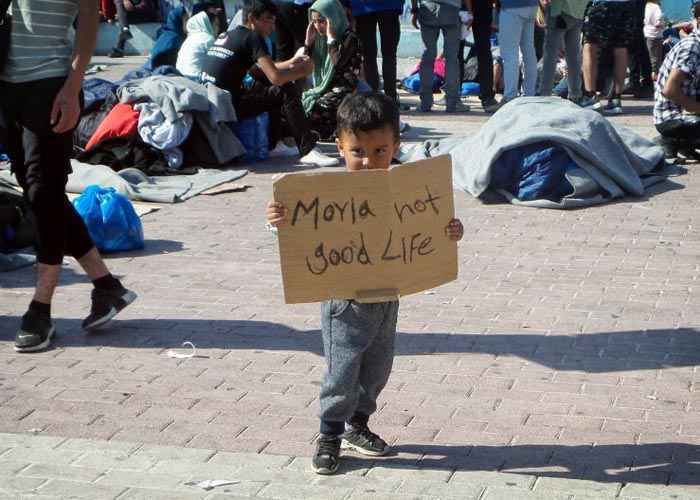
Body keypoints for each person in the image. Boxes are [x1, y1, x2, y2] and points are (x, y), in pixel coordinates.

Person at [266, 92, 465, 475]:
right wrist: (278, 221)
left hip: (388, 296)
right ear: (340, 146)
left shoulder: (405, 190)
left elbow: (428, 230)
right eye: (358, 151)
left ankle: (357, 426)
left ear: (396, 146)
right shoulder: (325, 196)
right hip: (344, 301)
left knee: (377, 369)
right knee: (340, 371)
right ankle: (329, 434)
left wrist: (450, 231)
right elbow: (301, 238)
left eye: (380, 151)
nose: (369, 161)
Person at [0, 0, 137, 352]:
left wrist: (73, 86)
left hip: (51, 84)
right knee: (38, 194)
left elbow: (90, 14)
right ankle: (106, 286)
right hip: (6, 85)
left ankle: (41, 307)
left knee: (44, 193)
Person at [201, 0, 338, 166]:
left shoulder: (230, 34)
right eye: (268, 20)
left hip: (212, 103)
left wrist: (291, 62)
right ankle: (307, 149)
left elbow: (257, 70)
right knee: (285, 88)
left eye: (274, 21)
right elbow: (276, 78)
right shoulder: (253, 37)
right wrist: (303, 71)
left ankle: (275, 143)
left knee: (267, 86)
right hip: (228, 107)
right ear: (252, 19)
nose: (272, 27)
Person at [302, 0, 363, 139]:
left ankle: (330, 131)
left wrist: (331, 41)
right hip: (325, 87)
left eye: (322, 21)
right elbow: (304, 65)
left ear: (333, 18)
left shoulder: (350, 38)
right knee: (303, 106)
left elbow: (339, 64)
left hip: (345, 86)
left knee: (318, 107)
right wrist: (308, 44)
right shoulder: (319, 40)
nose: (318, 26)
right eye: (314, 22)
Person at [653, 3, 700, 160]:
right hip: (673, 118)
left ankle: (685, 143)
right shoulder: (692, 47)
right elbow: (670, 90)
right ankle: (674, 140)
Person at [411, 0, 472, 113]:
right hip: (451, 9)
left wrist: (414, 10)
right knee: (452, 58)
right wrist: (469, 12)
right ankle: (452, 103)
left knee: (428, 55)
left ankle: (425, 103)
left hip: (427, 8)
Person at [579, 0, 639, 114]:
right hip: (627, 5)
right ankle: (616, 99)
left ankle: (590, 96)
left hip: (602, 5)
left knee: (590, 46)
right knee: (621, 48)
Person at [351, 0, 404, 106]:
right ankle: (390, 98)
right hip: (390, 7)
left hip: (363, 7)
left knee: (368, 56)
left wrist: (346, 4)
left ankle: (373, 98)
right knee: (389, 55)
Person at [539, 0, 587, 103]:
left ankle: (545, 93)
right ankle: (575, 94)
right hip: (578, 11)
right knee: (574, 56)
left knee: (550, 56)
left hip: (559, 10)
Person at [496, 0, 539, 103]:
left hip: (511, 7)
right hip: (532, 7)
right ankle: (529, 93)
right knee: (529, 51)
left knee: (510, 54)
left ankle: (510, 96)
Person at [470, 0, 501, 112]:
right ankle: (487, 97)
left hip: (462, 8)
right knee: (484, 53)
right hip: (482, 8)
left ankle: (453, 97)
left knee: (455, 53)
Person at [176, 9, 222, 80]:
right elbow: (217, 63)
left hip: (180, 77)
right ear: (207, 23)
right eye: (216, 24)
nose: (218, 28)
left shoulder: (189, 38)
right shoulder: (208, 39)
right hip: (195, 78)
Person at [644, 0, 666, 82]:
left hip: (647, 34)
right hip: (656, 36)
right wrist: (664, 24)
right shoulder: (656, 7)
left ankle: (649, 78)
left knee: (651, 58)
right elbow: (658, 23)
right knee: (656, 60)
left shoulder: (647, 5)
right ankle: (656, 80)